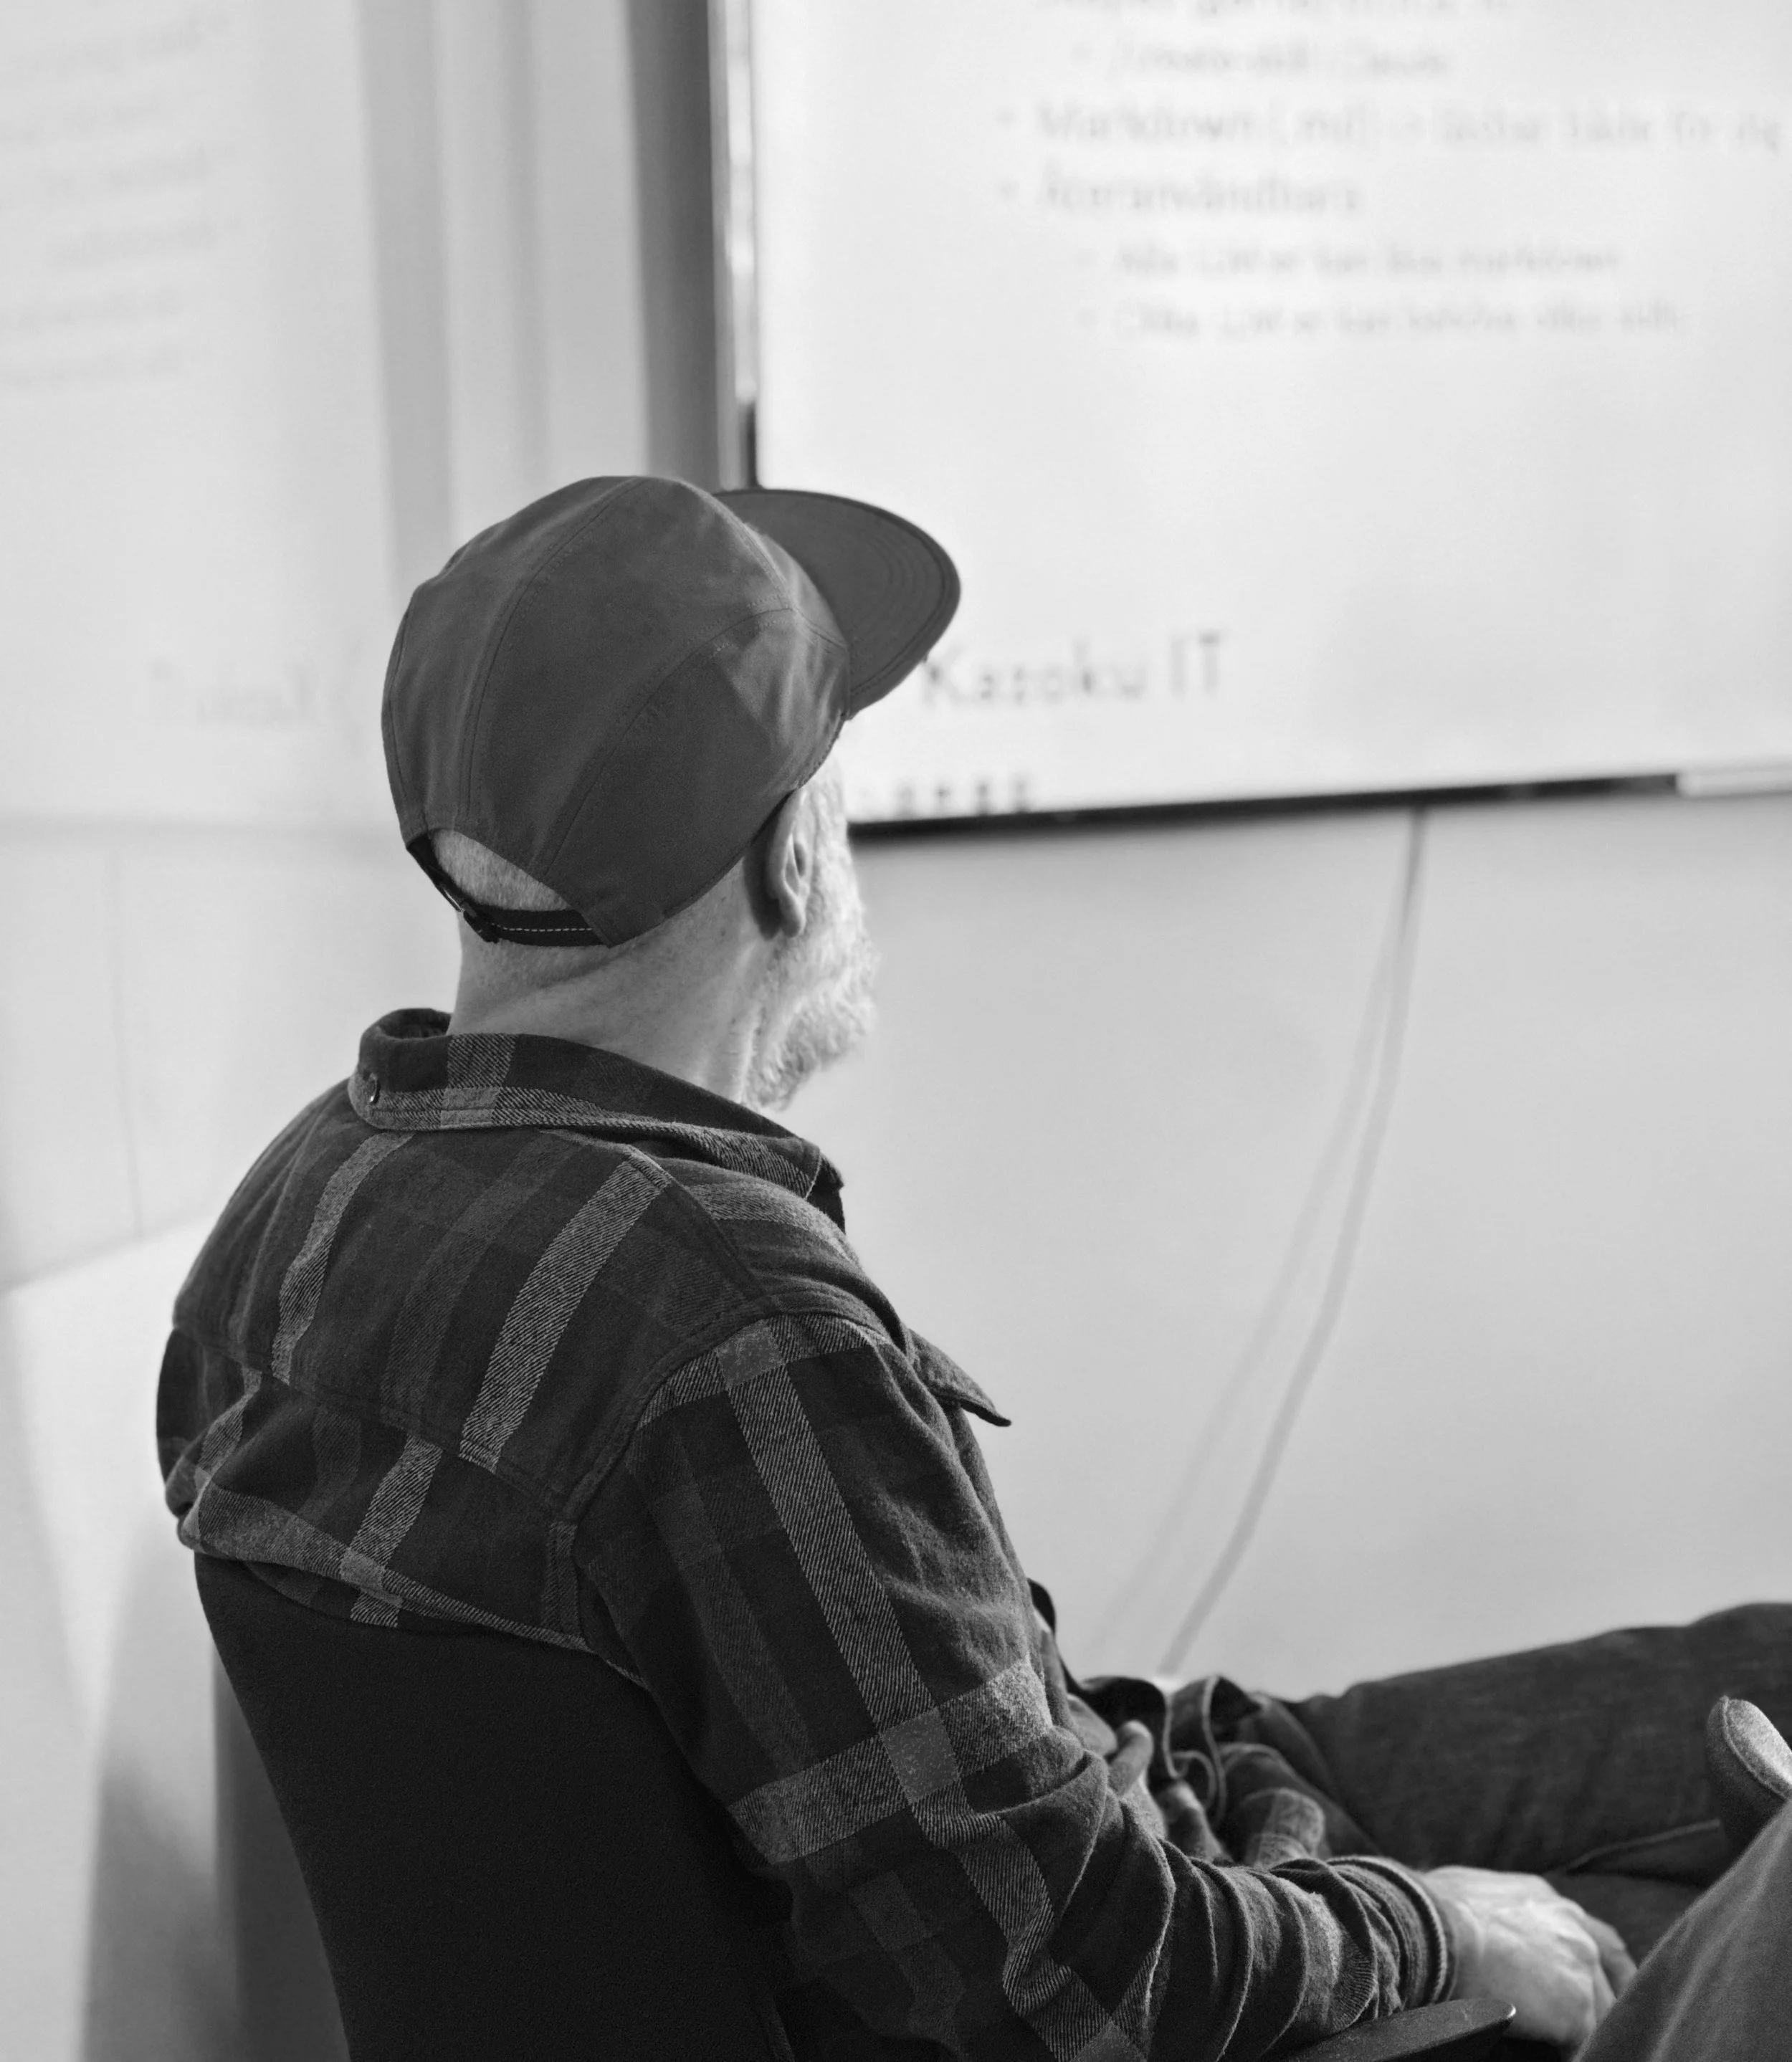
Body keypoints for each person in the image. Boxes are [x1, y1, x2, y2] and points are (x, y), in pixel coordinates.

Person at [158, 476, 1790, 2058]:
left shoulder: (293, 1214)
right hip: (1190, 1953)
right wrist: (1437, 1928)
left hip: (1167, 1796)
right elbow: (1077, 1986)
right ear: (794, 864)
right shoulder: (731, 1331)